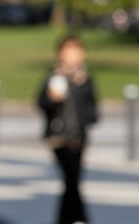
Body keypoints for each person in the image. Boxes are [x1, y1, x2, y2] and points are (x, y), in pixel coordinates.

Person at [36, 35, 99, 224]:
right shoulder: (54, 77)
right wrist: (52, 99)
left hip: (78, 137)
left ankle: (68, 219)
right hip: (59, 136)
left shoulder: (85, 79)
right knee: (71, 178)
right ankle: (79, 219)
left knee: (73, 181)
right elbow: (41, 103)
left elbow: (92, 110)